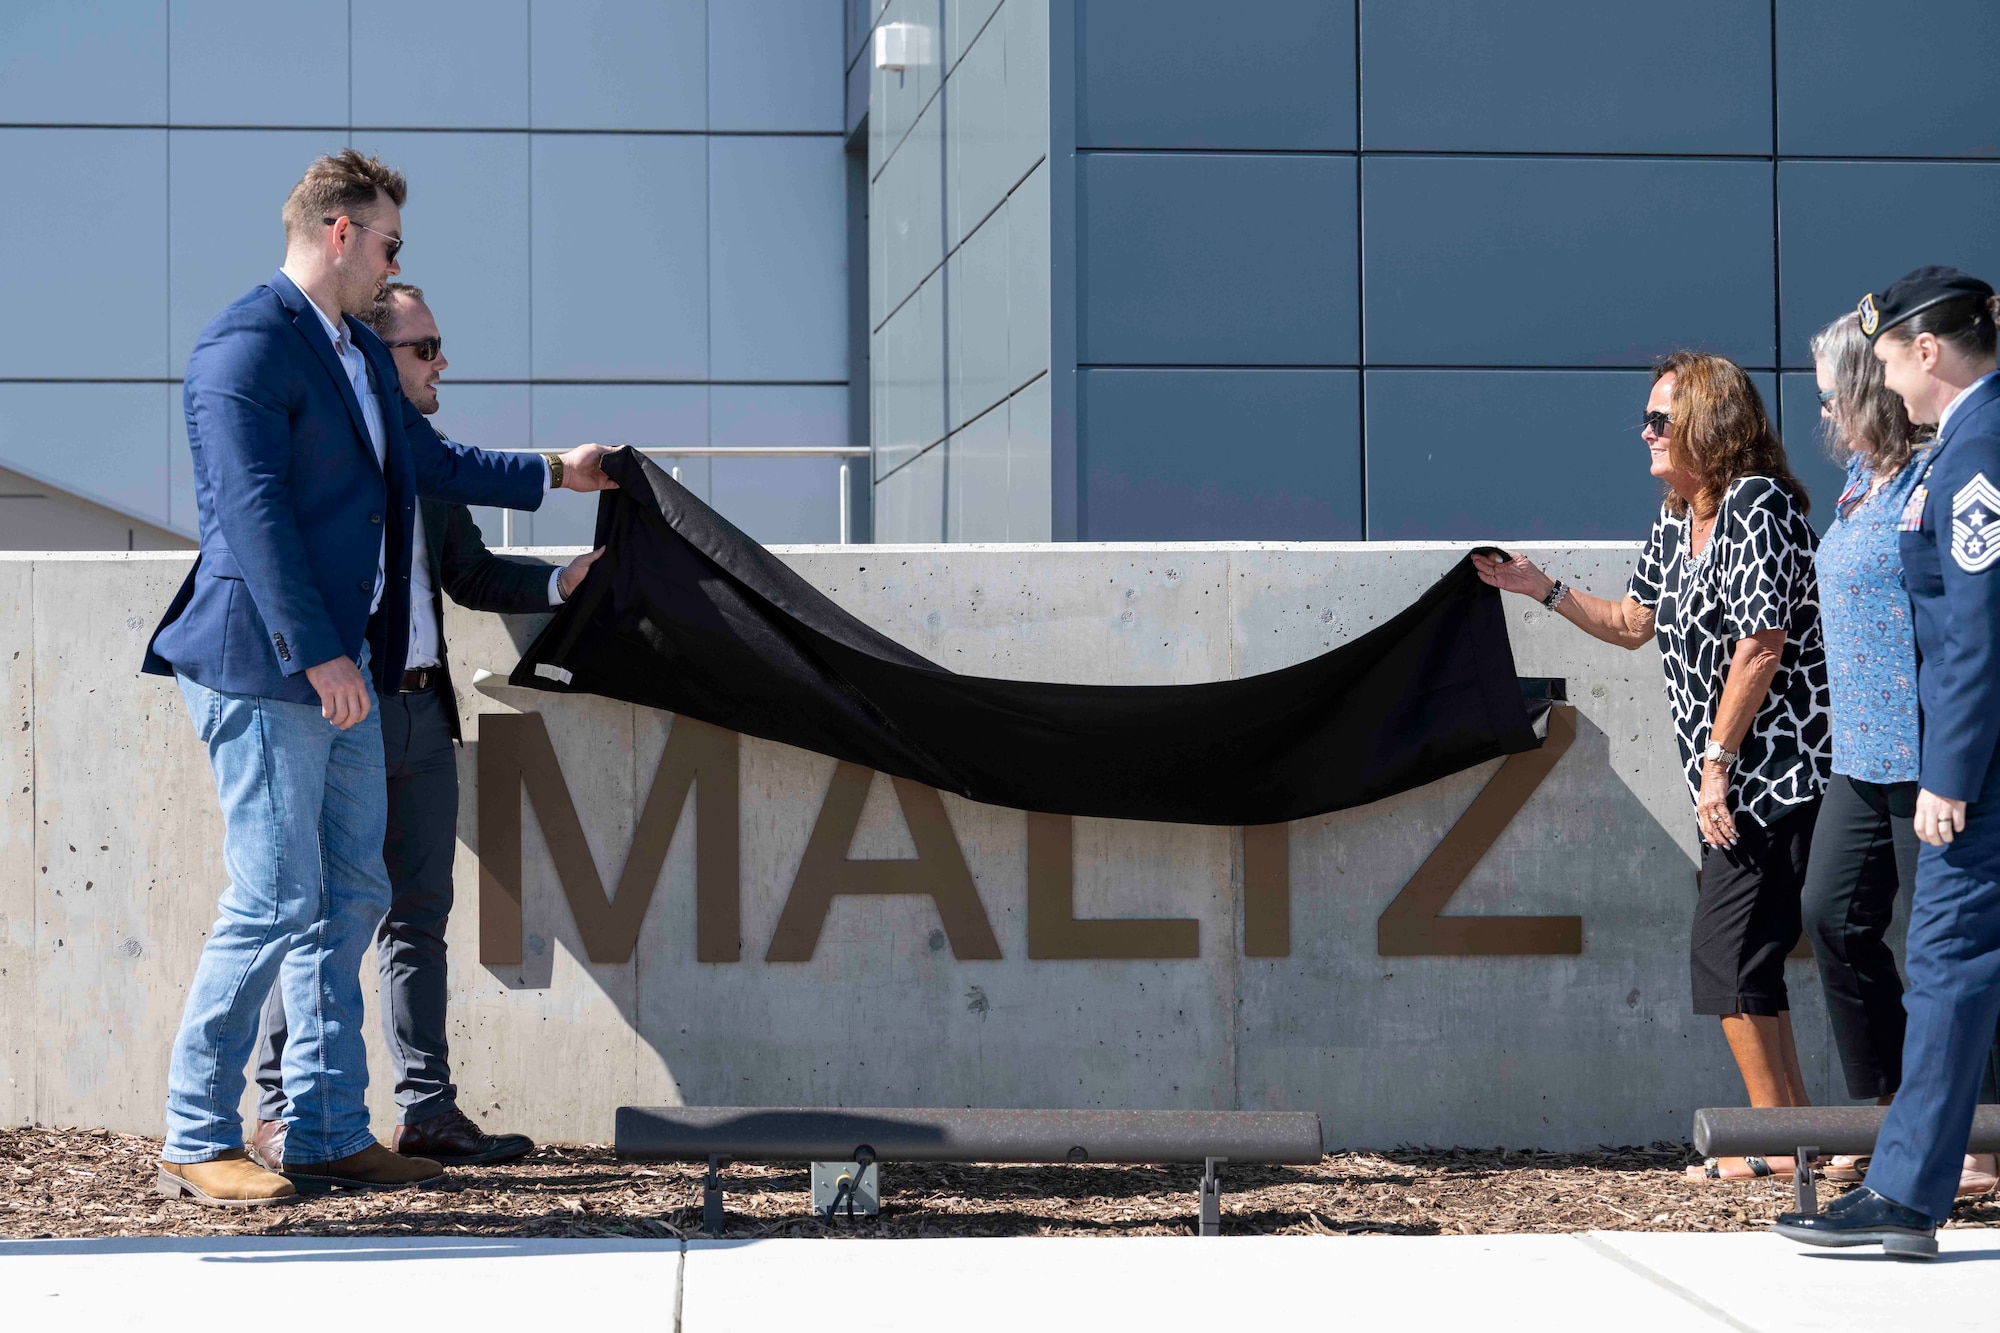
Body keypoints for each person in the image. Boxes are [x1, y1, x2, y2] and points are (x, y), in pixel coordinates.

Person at [141, 150, 613, 1207]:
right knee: (271, 899)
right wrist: (316, 653)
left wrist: (554, 471)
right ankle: (194, 1131)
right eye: (391, 242)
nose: (398, 260)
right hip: (264, 669)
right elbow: (248, 513)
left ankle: (323, 1128)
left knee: (351, 892)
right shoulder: (244, 347)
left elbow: (434, 464)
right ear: (342, 232)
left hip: (343, 671)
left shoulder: (353, 351)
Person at [246, 283, 604, 1171]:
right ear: (373, 355)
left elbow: (471, 574)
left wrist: (563, 583)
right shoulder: (326, 457)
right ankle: (277, 1106)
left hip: (419, 713)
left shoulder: (430, 463)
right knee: (323, 915)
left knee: (419, 919)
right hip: (342, 715)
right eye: (425, 346)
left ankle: (427, 1110)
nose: (442, 361)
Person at [1473, 351, 1831, 1182]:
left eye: (1660, 419)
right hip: (1734, 782)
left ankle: (1778, 1144)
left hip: (1781, 774)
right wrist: (1542, 588)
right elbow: (1636, 621)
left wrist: (1715, 766)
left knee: (1725, 954)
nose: (1645, 431)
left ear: (1710, 421)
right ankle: (1797, 1136)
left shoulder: (1758, 505)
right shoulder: (1681, 514)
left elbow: (1760, 647)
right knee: (1748, 958)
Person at [1778, 266, 2000, 1257]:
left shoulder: (1973, 450)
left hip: (1962, 766)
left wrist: (1945, 771)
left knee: (1945, 964)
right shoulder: (1954, 447)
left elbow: (1973, 634)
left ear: (1923, 352)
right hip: (1910, 752)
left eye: (1875, 360)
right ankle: (1909, 1181)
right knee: (1940, 962)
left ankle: (1909, 1194)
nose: (1866, 384)